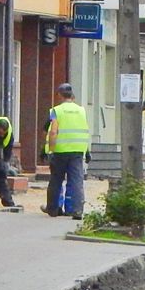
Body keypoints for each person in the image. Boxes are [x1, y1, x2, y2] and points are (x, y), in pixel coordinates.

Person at [43, 83, 90, 218]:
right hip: (77, 151)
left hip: (60, 151)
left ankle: (53, 209)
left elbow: (53, 132)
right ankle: (77, 210)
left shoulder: (56, 111)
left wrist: (50, 151)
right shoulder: (81, 110)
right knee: (76, 181)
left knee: (56, 180)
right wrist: (87, 150)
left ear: (59, 95)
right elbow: (84, 131)